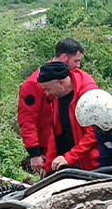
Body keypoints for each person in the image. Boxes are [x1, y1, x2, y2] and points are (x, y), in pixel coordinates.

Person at [18, 38, 86, 173]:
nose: (78, 66)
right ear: (64, 57)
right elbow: (27, 120)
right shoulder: (34, 84)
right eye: (76, 61)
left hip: (72, 142)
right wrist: (34, 153)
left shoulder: (74, 79)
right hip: (49, 148)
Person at [38, 61, 100, 173]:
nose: (47, 94)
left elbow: (94, 134)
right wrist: (48, 165)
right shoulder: (57, 97)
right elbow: (56, 133)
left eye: (48, 89)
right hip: (67, 162)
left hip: (92, 165)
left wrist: (70, 157)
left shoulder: (89, 96)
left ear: (61, 84)